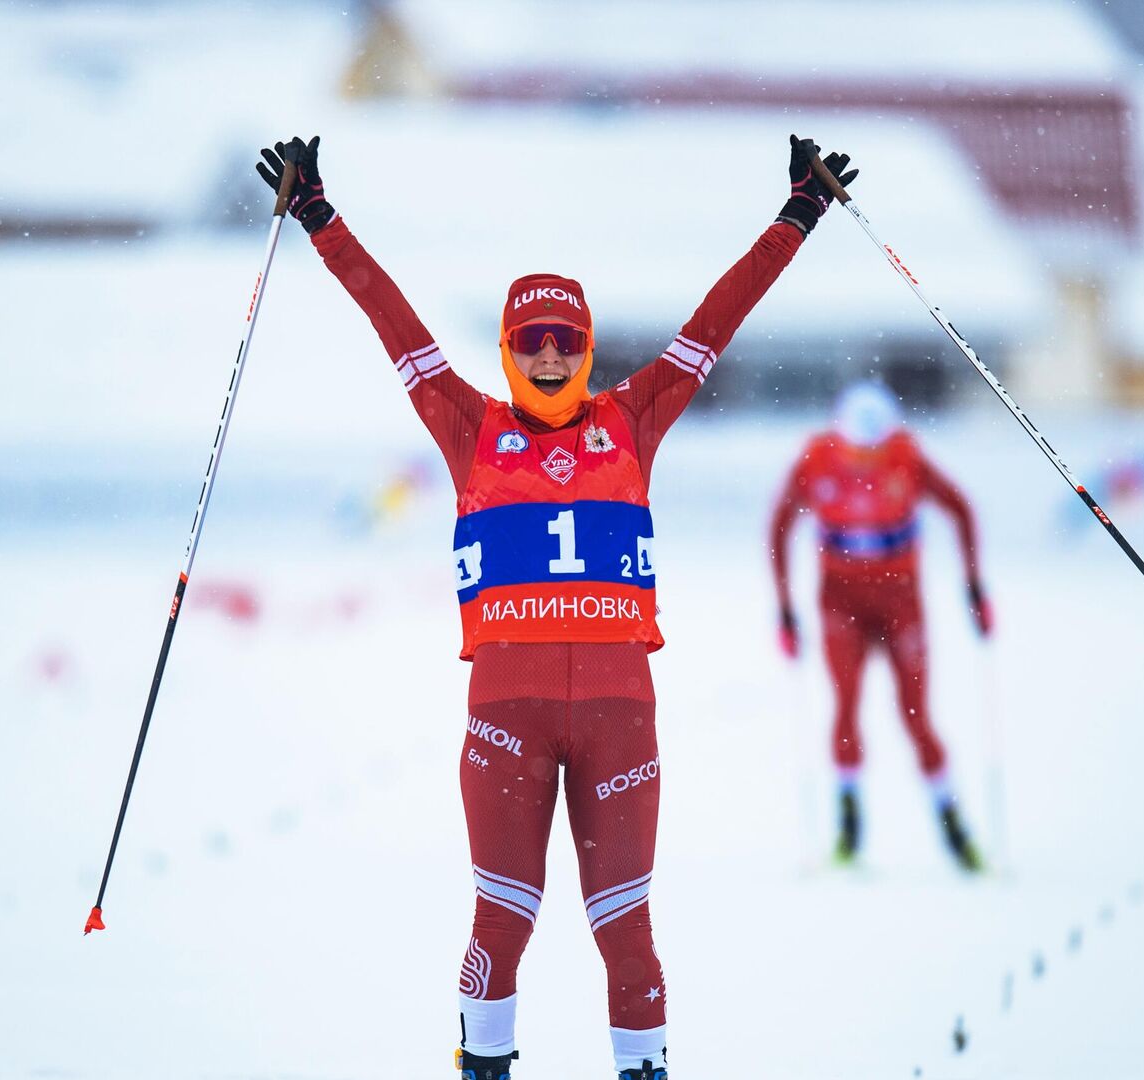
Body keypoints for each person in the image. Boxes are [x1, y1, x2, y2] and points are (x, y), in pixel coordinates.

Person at [257, 134, 858, 1080]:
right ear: (505, 349)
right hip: (507, 717)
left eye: (565, 341)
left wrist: (797, 217)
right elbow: (394, 320)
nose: (547, 358)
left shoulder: (635, 414)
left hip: (621, 716)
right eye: (529, 342)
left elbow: (721, 316)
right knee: (504, 916)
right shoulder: (466, 424)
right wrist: (321, 219)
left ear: (585, 347)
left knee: (626, 930)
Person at [769, 382, 991, 871]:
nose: (864, 461)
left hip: (900, 602)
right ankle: (848, 825)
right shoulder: (816, 459)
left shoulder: (906, 457)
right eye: (855, 450)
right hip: (840, 602)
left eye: (874, 450)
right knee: (845, 705)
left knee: (916, 714)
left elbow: (961, 509)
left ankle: (952, 823)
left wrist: (974, 587)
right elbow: (781, 523)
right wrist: (785, 608)